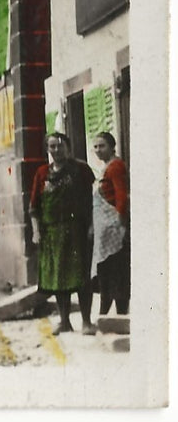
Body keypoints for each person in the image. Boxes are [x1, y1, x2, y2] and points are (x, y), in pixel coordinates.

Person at [29, 132, 95, 334]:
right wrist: (36, 232)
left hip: (77, 231)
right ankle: (64, 321)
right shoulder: (42, 173)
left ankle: (86, 322)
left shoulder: (81, 169)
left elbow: (93, 201)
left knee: (81, 277)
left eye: (60, 146)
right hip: (51, 233)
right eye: (52, 147)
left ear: (68, 147)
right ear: (47, 150)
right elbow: (34, 206)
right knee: (57, 278)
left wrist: (92, 226)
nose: (56, 150)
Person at [91, 131, 130, 315]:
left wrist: (121, 226)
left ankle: (120, 314)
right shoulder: (106, 167)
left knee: (117, 273)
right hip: (104, 231)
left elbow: (121, 197)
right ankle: (104, 314)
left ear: (112, 147)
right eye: (96, 146)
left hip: (115, 229)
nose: (98, 150)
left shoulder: (116, 166)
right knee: (105, 273)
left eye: (102, 146)